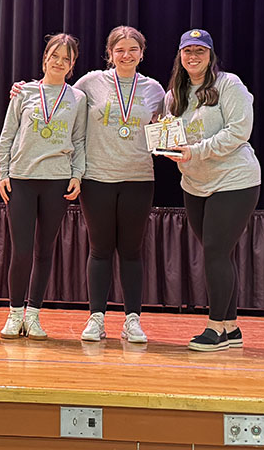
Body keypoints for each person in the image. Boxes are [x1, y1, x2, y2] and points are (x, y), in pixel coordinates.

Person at [164, 29, 261, 352]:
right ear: (180, 55)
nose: (193, 56)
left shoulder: (228, 84)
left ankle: (215, 327)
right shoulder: (174, 95)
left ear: (210, 55)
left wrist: (197, 150)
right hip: (194, 183)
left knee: (215, 252)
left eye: (200, 51)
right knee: (218, 253)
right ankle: (232, 329)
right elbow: (170, 134)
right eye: (188, 51)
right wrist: (168, 147)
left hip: (234, 180)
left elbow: (239, 131)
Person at [73, 26, 165, 343]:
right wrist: (25, 89)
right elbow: (56, 96)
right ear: (109, 54)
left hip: (139, 177)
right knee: (99, 250)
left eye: (133, 49)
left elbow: (168, 126)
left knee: (131, 251)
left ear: (142, 53)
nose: (126, 55)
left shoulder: (155, 90)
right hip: (97, 177)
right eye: (119, 50)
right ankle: (96, 319)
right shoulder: (89, 83)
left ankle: (132, 320)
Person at [0, 34, 86, 340]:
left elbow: (79, 140)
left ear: (73, 65)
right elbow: (7, 135)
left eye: (67, 58)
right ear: (45, 57)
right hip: (22, 178)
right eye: (55, 56)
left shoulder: (78, 98)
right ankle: (14, 313)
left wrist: (77, 174)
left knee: (44, 251)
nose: (59, 62)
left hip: (57, 181)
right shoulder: (24, 92)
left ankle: (33, 315)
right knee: (21, 251)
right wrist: (2, 173)